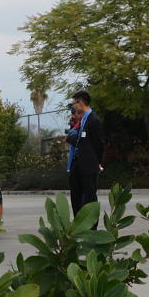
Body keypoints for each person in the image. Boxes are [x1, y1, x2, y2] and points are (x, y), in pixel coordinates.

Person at [65, 90, 104, 218]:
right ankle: (78, 226)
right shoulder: (82, 121)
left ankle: (91, 228)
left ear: (81, 102)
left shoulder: (94, 120)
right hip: (78, 164)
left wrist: (95, 163)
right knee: (76, 196)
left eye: (75, 102)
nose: (74, 106)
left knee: (89, 198)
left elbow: (99, 145)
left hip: (88, 166)